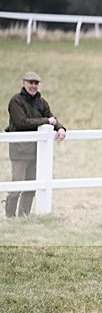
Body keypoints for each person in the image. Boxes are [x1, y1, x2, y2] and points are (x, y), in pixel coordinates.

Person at [4, 71, 66, 217]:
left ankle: (24, 216)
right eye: (30, 82)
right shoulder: (16, 101)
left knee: (32, 187)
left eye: (36, 83)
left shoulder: (41, 102)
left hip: (37, 151)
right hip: (20, 151)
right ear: (24, 83)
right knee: (16, 187)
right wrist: (46, 121)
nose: (33, 86)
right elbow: (21, 122)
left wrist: (60, 128)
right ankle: (10, 217)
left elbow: (51, 118)